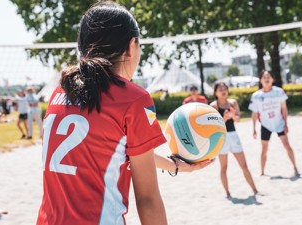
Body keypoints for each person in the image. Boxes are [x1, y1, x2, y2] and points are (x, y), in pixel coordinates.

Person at [36, 2, 210, 225]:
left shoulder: (60, 91)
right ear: (131, 46)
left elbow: (106, 151)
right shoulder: (132, 98)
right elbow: (147, 199)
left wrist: (174, 165)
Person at [210, 82, 258, 198]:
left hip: (233, 135)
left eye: (224, 88)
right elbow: (214, 125)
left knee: (244, 165)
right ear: (215, 92)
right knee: (224, 167)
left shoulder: (233, 103)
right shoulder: (213, 106)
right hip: (221, 137)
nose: (223, 90)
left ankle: (255, 190)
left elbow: (238, 120)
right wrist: (225, 118)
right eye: (220, 89)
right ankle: (227, 193)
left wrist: (232, 116)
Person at [248, 70, 299, 177]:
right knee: (264, 149)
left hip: (279, 123)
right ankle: (262, 171)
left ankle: (295, 167)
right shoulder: (256, 95)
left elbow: (284, 109)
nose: (266, 79)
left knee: (287, 146)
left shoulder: (279, 92)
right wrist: (254, 128)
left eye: (269, 77)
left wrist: (286, 124)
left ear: (273, 79)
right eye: (264, 77)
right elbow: (254, 113)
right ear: (261, 80)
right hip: (265, 125)